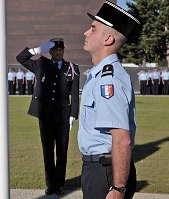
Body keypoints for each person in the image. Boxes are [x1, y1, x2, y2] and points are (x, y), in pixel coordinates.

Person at [78, 1, 139, 198]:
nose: (86, 33)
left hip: (106, 172)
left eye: (93, 29)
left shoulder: (108, 80)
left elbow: (121, 138)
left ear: (108, 39)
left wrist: (119, 187)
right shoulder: (99, 75)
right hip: (98, 168)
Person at [16, 38, 80, 196]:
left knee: (62, 151)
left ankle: (60, 184)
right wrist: (37, 50)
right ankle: (50, 184)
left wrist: (73, 114)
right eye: (55, 50)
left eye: (61, 50)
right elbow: (21, 58)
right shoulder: (41, 64)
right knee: (48, 151)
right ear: (50, 51)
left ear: (63, 51)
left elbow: (74, 94)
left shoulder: (71, 68)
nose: (58, 52)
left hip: (63, 114)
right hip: (45, 115)